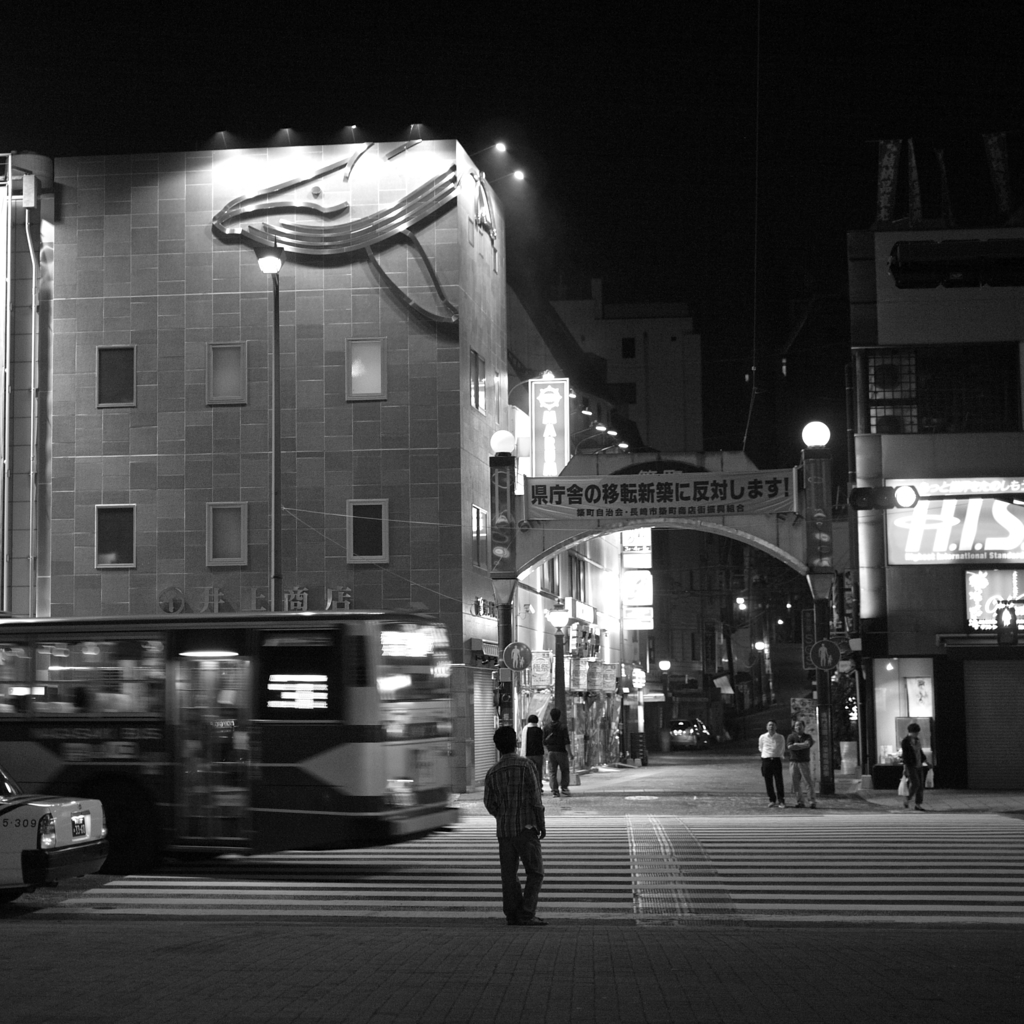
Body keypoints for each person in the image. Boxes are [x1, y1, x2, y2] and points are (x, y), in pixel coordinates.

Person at [483, 725, 547, 926]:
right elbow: (536, 799)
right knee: (535, 872)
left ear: (497, 747)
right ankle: (527, 913)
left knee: (509, 875)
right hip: (526, 828)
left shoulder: (492, 772)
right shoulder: (526, 766)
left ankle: (512, 913)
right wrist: (541, 823)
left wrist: (502, 815)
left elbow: (489, 803)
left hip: (504, 831)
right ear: (516, 742)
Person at [786, 719, 816, 808]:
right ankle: (800, 801)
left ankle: (812, 801)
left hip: (804, 762)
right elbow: (790, 747)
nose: (798, 727)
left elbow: (807, 744)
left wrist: (796, 745)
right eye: (796, 725)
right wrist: (802, 745)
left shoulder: (808, 736)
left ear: (803, 727)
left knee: (808, 782)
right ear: (794, 727)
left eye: (800, 725)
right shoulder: (791, 736)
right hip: (793, 762)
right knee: (795, 782)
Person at [900, 721, 930, 811]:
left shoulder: (917, 741)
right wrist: (905, 768)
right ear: (910, 732)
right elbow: (905, 755)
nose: (917, 734)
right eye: (915, 732)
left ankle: (918, 804)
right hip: (911, 765)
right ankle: (907, 799)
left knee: (920, 785)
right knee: (916, 783)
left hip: (919, 764)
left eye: (917, 732)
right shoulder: (905, 742)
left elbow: (919, 752)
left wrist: (926, 762)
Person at [543, 707, 572, 797]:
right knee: (565, 770)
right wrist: (570, 754)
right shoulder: (563, 727)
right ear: (559, 716)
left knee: (552, 772)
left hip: (551, 752)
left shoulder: (546, 727)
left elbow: (543, 741)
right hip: (562, 752)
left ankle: (555, 790)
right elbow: (566, 741)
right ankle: (564, 788)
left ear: (551, 716)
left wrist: (546, 752)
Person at [758, 720, 786, 807]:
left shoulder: (780, 737)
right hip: (766, 760)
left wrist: (776, 754)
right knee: (768, 781)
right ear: (767, 727)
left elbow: (782, 748)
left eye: (773, 725)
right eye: (769, 725)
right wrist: (767, 754)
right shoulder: (762, 737)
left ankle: (781, 800)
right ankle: (772, 799)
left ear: (776, 727)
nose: (771, 727)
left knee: (779, 781)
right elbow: (761, 747)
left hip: (776, 760)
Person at [522, 714, 545, 783]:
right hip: (538, 754)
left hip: (528, 754)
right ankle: (539, 786)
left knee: (529, 771)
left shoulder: (525, 729)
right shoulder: (539, 730)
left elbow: (523, 742)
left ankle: (530, 786)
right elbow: (542, 741)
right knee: (538, 771)